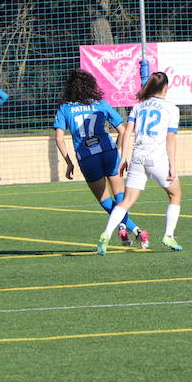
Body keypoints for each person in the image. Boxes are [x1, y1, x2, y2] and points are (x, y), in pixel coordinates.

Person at [52, 69, 145, 248]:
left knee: (105, 200)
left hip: (87, 158)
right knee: (121, 198)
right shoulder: (101, 104)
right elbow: (123, 130)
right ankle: (127, 228)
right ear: (91, 86)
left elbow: (59, 138)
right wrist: (117, 150)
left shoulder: (65, 109)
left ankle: (135, 231)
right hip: (109, 152)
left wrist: (69, 162)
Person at [96, 71, 183, 255]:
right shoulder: (171, 108)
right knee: (175, 195)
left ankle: (106, 234)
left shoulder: (139, 106)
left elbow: (127, 132)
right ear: (166, 88)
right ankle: (169, 235)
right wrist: (172, 166)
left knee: (126, 201)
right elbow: (171, 138)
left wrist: (123, 157)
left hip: (137, 157)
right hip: (156, 158)